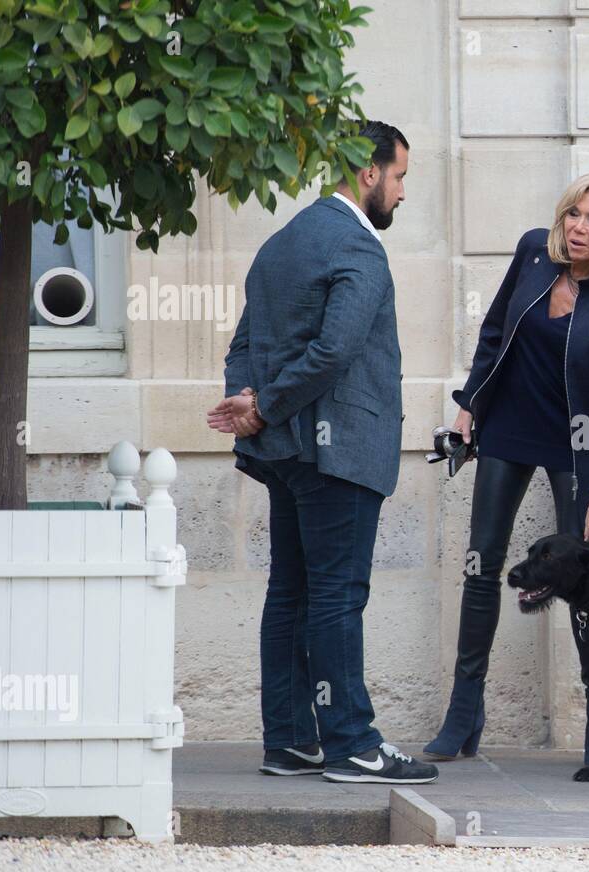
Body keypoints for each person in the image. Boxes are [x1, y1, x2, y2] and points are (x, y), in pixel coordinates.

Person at [207, 121, 439, 785]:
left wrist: (250, 403)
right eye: (399, 178)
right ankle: (352, 744)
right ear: (368, 174)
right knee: (337, 595)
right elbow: (334, 353)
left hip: (285, 454)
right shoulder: (358, 249)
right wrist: (264, 406)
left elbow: (242, 347)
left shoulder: (280, 244)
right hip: (336, 455)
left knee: (293, 592)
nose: (400, 194)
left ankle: (289, 740)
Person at [423, 173, 589, 771]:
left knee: (587, 584)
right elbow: (495, 330)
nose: (578, 227)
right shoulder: (532, 252)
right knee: (481, 564)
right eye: (574, 213)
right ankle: (464, 711)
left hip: (579, 448)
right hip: (511, 430)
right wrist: (470, 401)